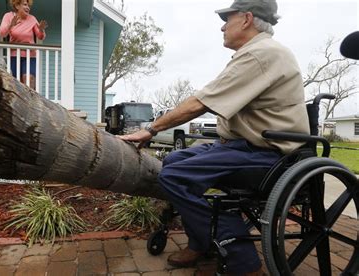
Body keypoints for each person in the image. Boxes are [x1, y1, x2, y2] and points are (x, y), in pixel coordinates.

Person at [119, 0, 310, 275]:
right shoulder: (256, 53)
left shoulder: (261, 54)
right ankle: (201, 243)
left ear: (246, 19)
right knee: (173, 160)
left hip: (268, 155)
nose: (222, 26)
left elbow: (201, 102)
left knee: (175, 177)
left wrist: (151, 129)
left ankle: (243, 263)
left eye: (227, 19)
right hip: (242, 146)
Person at [0, 0, 47, 90]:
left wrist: (41, 30)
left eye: (29, 6)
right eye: (25, 5)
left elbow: (40, 37)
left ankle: (30, 101)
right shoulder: (8, 16)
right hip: (14, 55)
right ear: (17, 5)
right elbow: (2, 33)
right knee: (18, 83)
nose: (28, 7)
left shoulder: (32, 19)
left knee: (29, 79)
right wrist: (10, 25)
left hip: (30, 55)